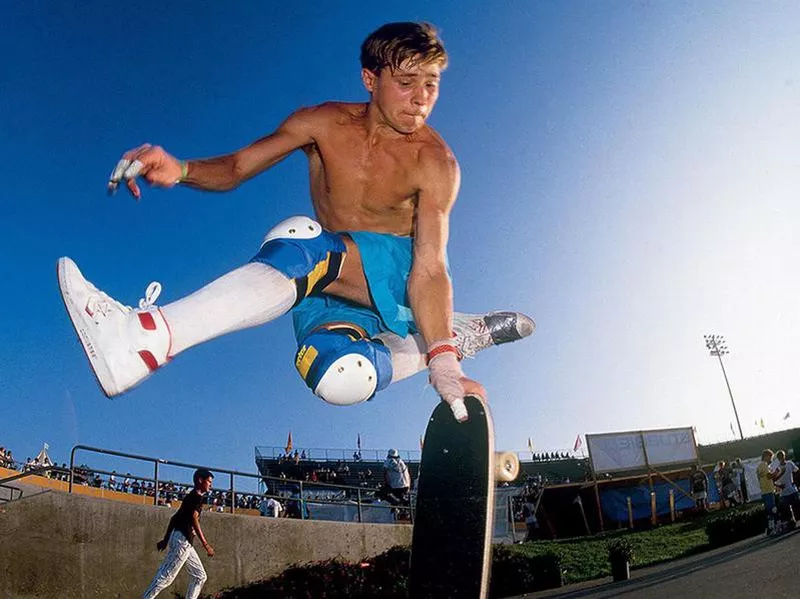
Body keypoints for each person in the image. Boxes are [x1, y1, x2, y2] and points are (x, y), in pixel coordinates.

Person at [57, 22, 534, 423]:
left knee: (298, 238)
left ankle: (143, 337)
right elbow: (239, 167)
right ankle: (455, 332)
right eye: (406, 82)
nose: (420, 99)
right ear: (370, 79)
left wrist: (444, 365)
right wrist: (181, 169)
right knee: (340, 377)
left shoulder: (436, 163)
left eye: (431, 83)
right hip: (329, 287)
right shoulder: (321, 123)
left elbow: (430, 265)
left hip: (396, 274)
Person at [142, 468, 215, 599]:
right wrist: (206, 544)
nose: (211, 485)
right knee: (166, 577)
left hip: (183, 541)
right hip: (182, 542)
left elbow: (174, 518)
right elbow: (194, 518)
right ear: (200, 480)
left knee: (200, 576)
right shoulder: (197, 497)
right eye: (209, 482)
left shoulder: (190, 497)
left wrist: (166, 539)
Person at [772, 450, 800, 532]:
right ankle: (792, 524)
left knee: (797, 507)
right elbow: (773, 481)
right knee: (788, 510)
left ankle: (794, 522)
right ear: (778, 458)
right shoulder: (778, 469)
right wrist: (779, 486)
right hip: (784, 492)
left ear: (784, 456)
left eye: (782, 456)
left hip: (792, 489)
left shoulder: (790, 463)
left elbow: (797, 471)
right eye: (780, 457)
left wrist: (795, 482)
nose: (782, 458)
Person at [756, 449, 777, 535]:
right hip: (768, 491)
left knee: (770, 510)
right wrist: (777, 472)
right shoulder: (764, 464)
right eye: (770, 457)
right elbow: (769, 476)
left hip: (766, 490)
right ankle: (771, 529)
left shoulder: (762, 466)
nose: (771, 459)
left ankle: (769, 528)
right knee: (772, 510)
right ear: (766, 456)